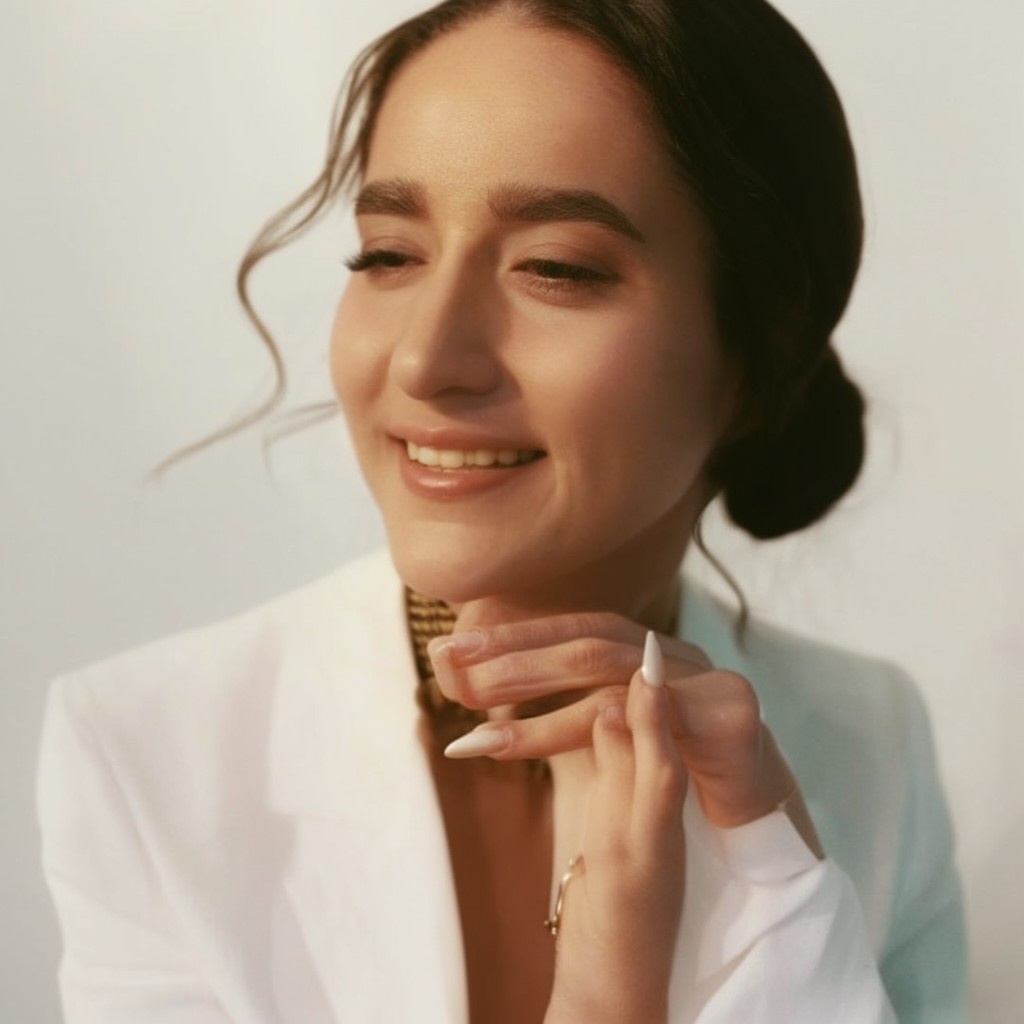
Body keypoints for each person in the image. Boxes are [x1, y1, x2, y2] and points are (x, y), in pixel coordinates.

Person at [38, 0, 967, 1021]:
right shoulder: (144, 750)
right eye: (387, 254)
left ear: (753, 360)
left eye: (555, 268)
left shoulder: (873, 744)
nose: (425, 358)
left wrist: (780, 894)